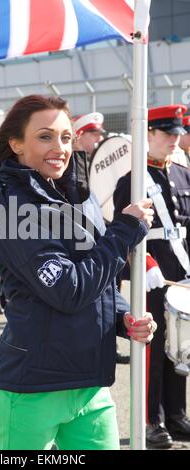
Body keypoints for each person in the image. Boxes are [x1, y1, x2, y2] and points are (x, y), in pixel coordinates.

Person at [0, 94, 157, 450]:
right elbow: (68, 288)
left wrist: (123, 317)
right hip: (32, 390)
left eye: (65, 137)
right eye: (44, 136)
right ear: (16, 143)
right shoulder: (9, 208)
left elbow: (97, 277)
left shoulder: (77, 193)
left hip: (90, 387)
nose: (59, 147)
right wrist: (124, 230)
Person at [113, 104, 190, 449]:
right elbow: (122, 231)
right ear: (149, 135)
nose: (174, 140)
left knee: (181, 344)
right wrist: (145, 267)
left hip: (183, 270)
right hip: (153, 270)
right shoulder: (132, 180)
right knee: (155, 346)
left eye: (177, 134)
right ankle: (151, 419)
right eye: (167, 134)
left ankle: (176, 414)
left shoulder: (183, 174)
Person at [73, 112, 130, 364]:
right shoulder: (74, 161)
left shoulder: (90, 159)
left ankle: (109, 341)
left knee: (111, 288)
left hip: (101, 227)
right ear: (79, 135)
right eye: (93, 134)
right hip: (83, 234)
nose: (98, 139)